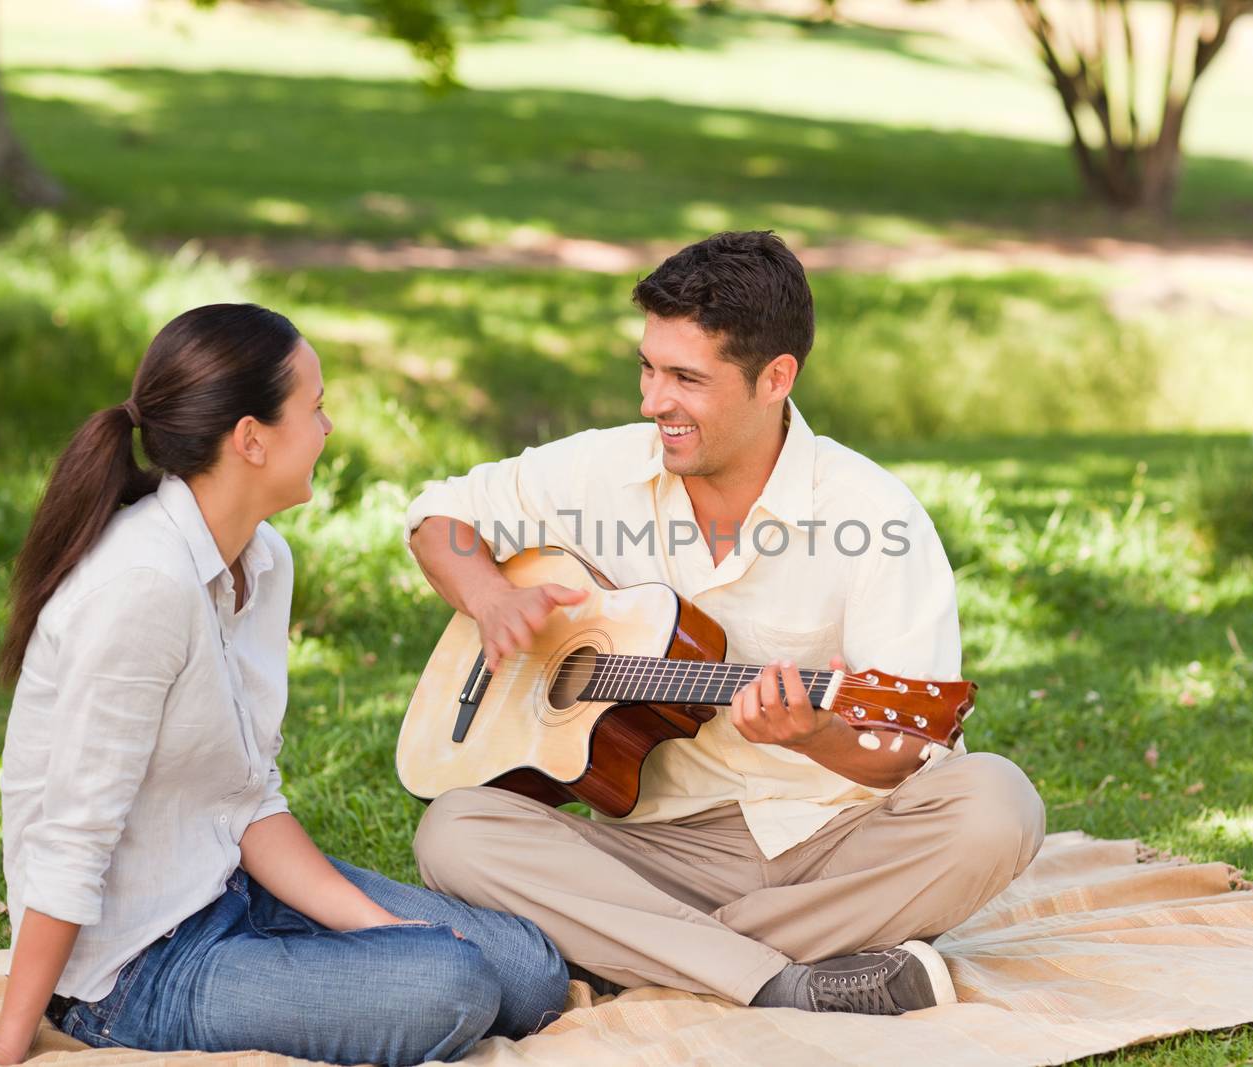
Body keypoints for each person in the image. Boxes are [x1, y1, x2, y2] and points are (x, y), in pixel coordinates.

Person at [405, 231, 1045, 1016]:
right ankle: (785, 979)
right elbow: (439, 515)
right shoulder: (599, 469)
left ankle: (659, 951)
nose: (651, 402)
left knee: (997, 806)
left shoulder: (875, 515)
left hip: (838, 839)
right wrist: (492, 598)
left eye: (685, 378)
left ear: (776, 377)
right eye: (647, 366)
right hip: (660, 844)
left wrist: (818, 736)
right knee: (456, 831)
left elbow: (909, 748)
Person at [0, 304, 568, 1067]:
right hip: (134, 971)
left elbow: (248, 796)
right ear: (251, 439)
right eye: (315, 407)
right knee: (454, 985)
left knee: (530, 972)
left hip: (231, 890)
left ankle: (399, 960)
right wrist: (6, 1042)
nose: (328, 427)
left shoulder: (263, 561)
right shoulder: (141, 587)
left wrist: (377, 929)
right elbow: (71, 834)